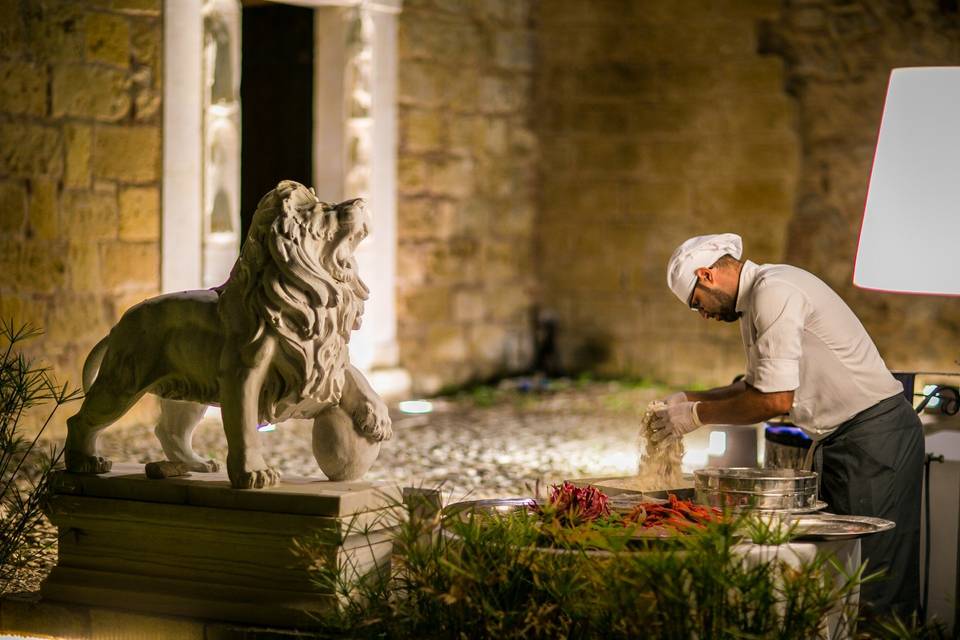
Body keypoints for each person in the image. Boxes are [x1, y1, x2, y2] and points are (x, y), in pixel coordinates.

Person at [651, 232, 924, 619]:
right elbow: (751, 387)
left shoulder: (774, 291)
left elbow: (774, 401)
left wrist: (695, 416)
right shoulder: (754, 301)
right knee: (843, 576)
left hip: (875, 437)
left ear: (706, 275)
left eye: (697, 304)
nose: (704, 316)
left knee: (874, 585)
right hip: (843, 440)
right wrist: (690, 397)